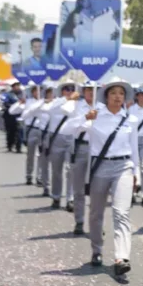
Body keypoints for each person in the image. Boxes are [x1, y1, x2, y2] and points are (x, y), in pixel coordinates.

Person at [84, 77, 140, 278]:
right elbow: (70, 130)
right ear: (106, 96)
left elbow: (134, 149)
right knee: (96, 213)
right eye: (114, 93)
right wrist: (85, 119)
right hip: (100, 167)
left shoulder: (131, 120)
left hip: (123, 167)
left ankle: (121, 257)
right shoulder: (95, 116)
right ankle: (97, 249)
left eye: (121, 93)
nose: (118, 97)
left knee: (121, 212)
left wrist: (137, 174)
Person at [65, 81, 98, 234]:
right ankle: (79, 221)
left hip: (99, 150)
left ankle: (96, 224)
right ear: (83, 91)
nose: (91, 92)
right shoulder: (76, 106)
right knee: (78, 188)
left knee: (98, 190)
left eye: (94, 89)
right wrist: (85, 118)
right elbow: (68, 127)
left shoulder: (103, 107)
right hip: (81, 148)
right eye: (88, 89)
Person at [45, 80, 78, 210]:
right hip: (57, 137)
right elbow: (50, 109)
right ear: (62, 91)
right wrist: (67, 99)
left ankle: (70, 198)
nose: (70, 91)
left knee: (71, 170)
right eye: (67, 89)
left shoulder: (77, 103)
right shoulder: (57, 102)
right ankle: (56, 196)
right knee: (56, 170)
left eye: (72, 89)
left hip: (71, 138)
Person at [35, 82, 57, 197]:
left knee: (57, 165)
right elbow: (32, 110)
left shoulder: (59, 104)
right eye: (49, 93)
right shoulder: (41, 104)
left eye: (53, 93)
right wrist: (42, 102)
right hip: (44, 135)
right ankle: (46, 186)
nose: (51, 95)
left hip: (57, 135)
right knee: (45, 161)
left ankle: (57, 190)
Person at [20, 85, 44, 185]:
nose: (38, 93)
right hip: (32, 129)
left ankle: (40, 176)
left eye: (40, 91)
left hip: (42, 130)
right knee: (30, 155)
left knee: (42, 155)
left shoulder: (46, 102)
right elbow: (25, 115)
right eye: (36, 91)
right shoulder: (29, 102)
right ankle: (29, 175)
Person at [1, 80, 25, 152]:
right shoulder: (8, 94)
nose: (16, 87)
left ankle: (18, 147)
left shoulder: (23, 94)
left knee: (20, 131)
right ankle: (10, 145)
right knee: (11, 132)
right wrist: (15, 105)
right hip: (10, 116)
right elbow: (5, 103)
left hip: (20, 116)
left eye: (18, 86)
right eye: (15, 86)